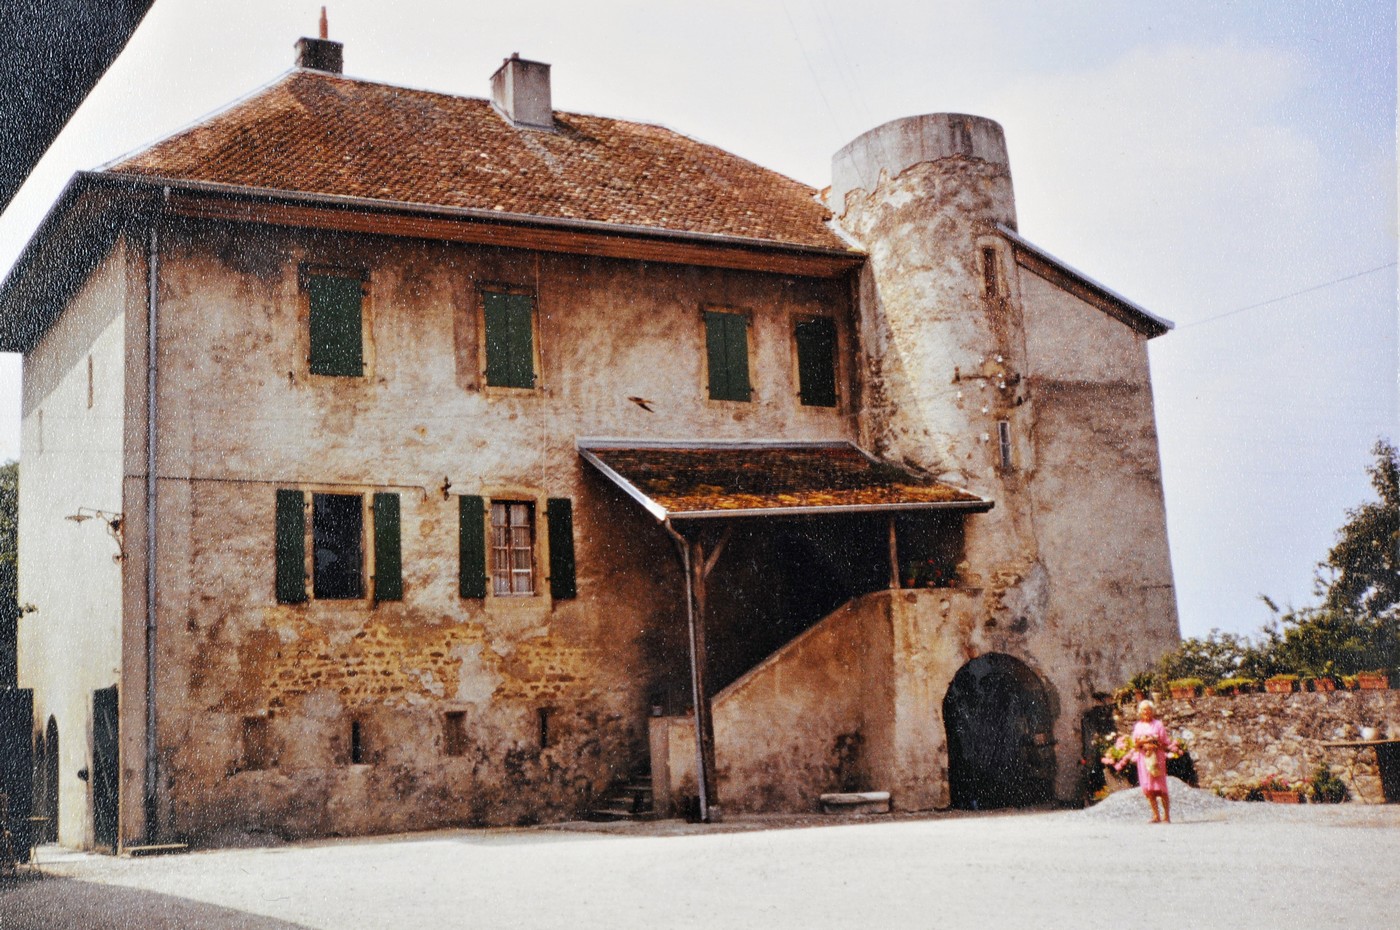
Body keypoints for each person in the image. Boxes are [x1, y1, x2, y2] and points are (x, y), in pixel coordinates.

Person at [1132, 700, 1178, 823]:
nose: (1146, 712)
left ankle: (1166, 816)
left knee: (1161, 787)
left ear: (1152, 711)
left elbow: (1164, 742)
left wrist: (1153, 744)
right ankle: (1156, 815)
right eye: (1143, 710)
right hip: (1143, 757)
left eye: (1148, 709)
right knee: (1148, 788)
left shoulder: (1158, 724)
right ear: (1140, 712)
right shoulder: (1138, 726)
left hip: (1156, 757)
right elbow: (1135, 744)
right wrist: (1142, 743)